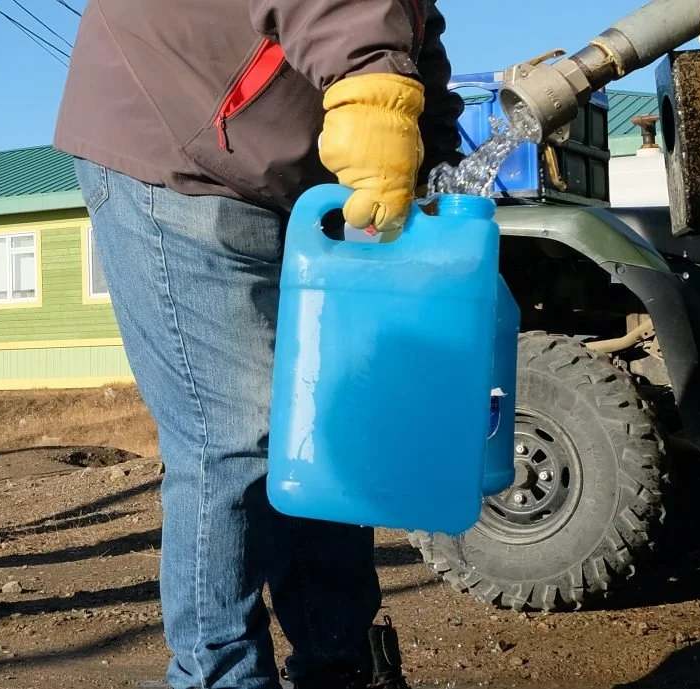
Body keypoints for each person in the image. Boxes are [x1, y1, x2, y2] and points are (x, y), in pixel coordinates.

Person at [54, 1, 464, 687]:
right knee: (234, 436)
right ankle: (219, 675)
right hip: (174, 139)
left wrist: (434, 147)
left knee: (325, 425)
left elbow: (410, 25)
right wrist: (369, 80)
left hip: (286, 177)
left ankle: (337, 662)